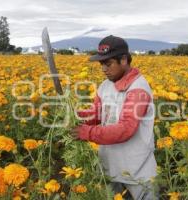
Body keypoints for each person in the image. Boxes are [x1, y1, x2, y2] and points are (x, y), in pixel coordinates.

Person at [72, 35, 158, 199]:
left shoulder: (138, 88)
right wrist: (75, 116)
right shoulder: (105, 86)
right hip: (111, 166)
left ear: (124, 60)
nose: (104, 68)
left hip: (137, 169)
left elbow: (126, 128)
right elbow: (96, 113)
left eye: (108, 63)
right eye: (101, 64)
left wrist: (87, 133)